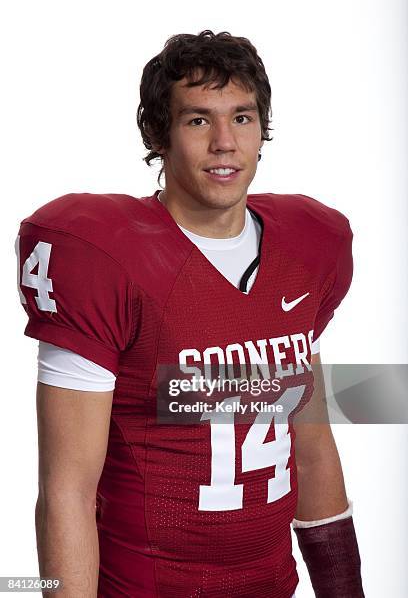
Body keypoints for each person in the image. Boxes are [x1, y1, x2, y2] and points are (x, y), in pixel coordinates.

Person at [15, 30, 364, 597]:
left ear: (262, 130)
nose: (225, 142)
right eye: (199, 120)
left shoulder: (308, 247)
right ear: (160, 133)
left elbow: (309, 434)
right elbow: (65, 492)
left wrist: (343, 587)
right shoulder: (105, 257)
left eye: (243, 118)